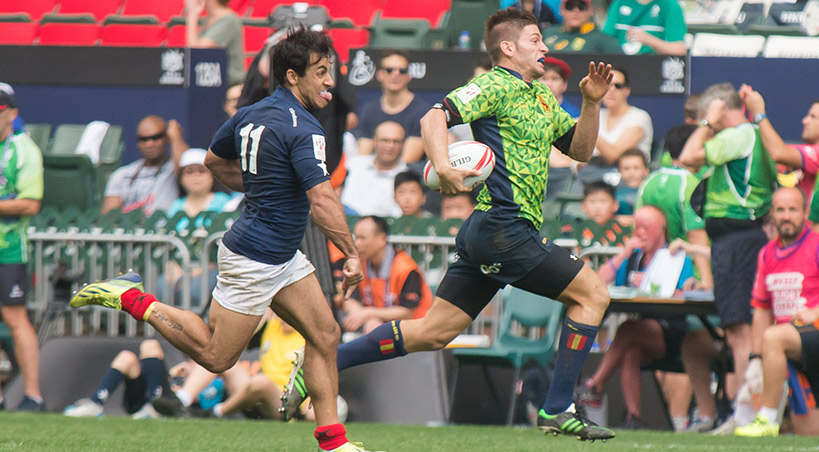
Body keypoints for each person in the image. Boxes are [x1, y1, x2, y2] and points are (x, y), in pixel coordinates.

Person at [282, 8, 616, 441]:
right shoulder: (494, 84)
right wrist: (442, 166)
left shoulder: (542, 96)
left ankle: (323, 360)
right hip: (504, 227)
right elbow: (433, 117)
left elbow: (581, 150)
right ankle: (557, 407)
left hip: (489, 231)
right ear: (508, 47)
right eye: (536, 39)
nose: (545, 46)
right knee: (593, 293)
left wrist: (591, 102)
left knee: (433, 332)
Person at [70, 28, 376, 452]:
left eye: (331, 71)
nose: (329, 81)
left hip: (281, 255)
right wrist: (352, 253)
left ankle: (333, 442)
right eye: (321, 72)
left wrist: (260, 186)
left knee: (325, 334)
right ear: (292, 76)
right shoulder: (305, 128)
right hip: (254, 258)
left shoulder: (251, 112)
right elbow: (322, 200)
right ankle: (132, 298)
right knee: (216, 357)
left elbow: (214, 159)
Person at [679, 82, 778, 433]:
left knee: (740, 332)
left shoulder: (739, 134)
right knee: (741, 329)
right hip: (740, 239)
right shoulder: (748, 136)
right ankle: (744, 411)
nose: (709, 128)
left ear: (720, 107)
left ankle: (745, 413)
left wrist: (707, 122)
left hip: (737, 240)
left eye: (711, 116)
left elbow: (688, 157)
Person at [581, 205, 693, 429]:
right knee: (631, 352)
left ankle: (595, 385)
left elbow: (684, 291)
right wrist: (624, 253)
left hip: (671, 329)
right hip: (643, 331)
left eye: (646, 227)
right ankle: (634, 418)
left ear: (660, 228)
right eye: (637, 227)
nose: (640, 233)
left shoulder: (676, 257)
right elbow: (599, 281)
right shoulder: (635, 257)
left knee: (627, 329)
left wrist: (653, 284)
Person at [732, 187, 819, 436]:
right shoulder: (767, 253)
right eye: (780, 210)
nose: (786, 216)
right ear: (772, 214)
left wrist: (815, 311)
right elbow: (761, 310)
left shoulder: (816, 245)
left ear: (806, 212)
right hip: (793, 344)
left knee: (774, 336)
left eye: (793, 209)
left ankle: (767, 419)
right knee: (809, 434)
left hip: (811, 331)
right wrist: (756, 358)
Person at [0, 87, 44, 412]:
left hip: (9, 249)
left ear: (12, 113)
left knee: (16, 318)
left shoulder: (23, 149)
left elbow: (31, 203)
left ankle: (33, 395)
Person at [636, 124, 712, 289]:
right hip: (689, 274)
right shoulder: (691, 185)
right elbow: (696, 234)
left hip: (653, 269)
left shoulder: (649, 182)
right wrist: (707, 280)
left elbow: (638, 227)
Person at [336, 216, 432, 334]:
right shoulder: (359, 263)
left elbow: (407, 312)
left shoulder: (406, 268)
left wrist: (367, 313)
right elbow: (348, 298)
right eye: (355, 238)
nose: (357, 243)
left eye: (362, 238)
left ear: (381, 239)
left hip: (414, 331)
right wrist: (368, 318)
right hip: (377, 326)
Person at [740, 87, 819, 202]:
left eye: (813, 117)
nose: (804, 121)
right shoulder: (806, 151)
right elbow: (771, 149)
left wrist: (759, 114)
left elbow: (778, 153)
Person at [578, 66, 653, 186]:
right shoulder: (596, 114)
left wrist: (586, 129)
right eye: (607, 85)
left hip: (626, 180)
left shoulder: (640, 116)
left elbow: (613, 155)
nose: (611, 90)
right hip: (591, 173)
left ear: (627, 90)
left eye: (618, 86)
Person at [101, 115, 188, 215]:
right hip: (130, 224)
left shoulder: (172, 169)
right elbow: (109, 215)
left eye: (156, 137)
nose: (150, 144)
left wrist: (176, 138)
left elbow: (186, 167)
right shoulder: (122, 174)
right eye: (144, 139)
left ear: (166, 138)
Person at [63, 340, 170, 419]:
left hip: (168, 401)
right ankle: (96, 403)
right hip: (140, 402)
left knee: (150, 345)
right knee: (126, 356)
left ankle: (155, 407)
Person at [355, 50, 430, 163]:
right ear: (379, 74)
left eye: (402, 71)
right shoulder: (369, 109)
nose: (396, 74)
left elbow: (407, 162)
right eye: (389, 70)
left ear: (409, 75)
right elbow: (363, 157)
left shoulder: (422, 111)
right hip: (373, 171)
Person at [340, 121, 408, 217]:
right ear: (374, 141)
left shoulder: (406, 177)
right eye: (385, 140)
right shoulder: (354, 164)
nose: (390, 146)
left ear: (403, 144)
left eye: (396, 141)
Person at [184, 0, 245, 85]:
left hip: (229, 85)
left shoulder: (229, 20)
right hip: (211, 85)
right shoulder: (209, 19)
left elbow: (196, 53)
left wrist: (192, 14)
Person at [602, 0, 687, 56]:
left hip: (653, 65)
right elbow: (604, 40)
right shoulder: (619, 3)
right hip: (621, 63)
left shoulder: (669, 4)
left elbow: (679, 50)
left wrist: (650, 40)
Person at [542, 0, 621, 54]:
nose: (576, 11)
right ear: (561, 9)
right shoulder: (548, 33)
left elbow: (621, 65)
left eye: (581, 6)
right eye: (569, 6)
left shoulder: (604, 40)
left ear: (590, 10)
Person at [615, 148, 649, 215]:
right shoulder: (614, 195)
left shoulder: (650, 194)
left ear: (646, 171)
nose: (631, 172)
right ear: (620, 172)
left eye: (636, 168)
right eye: (626, 168)